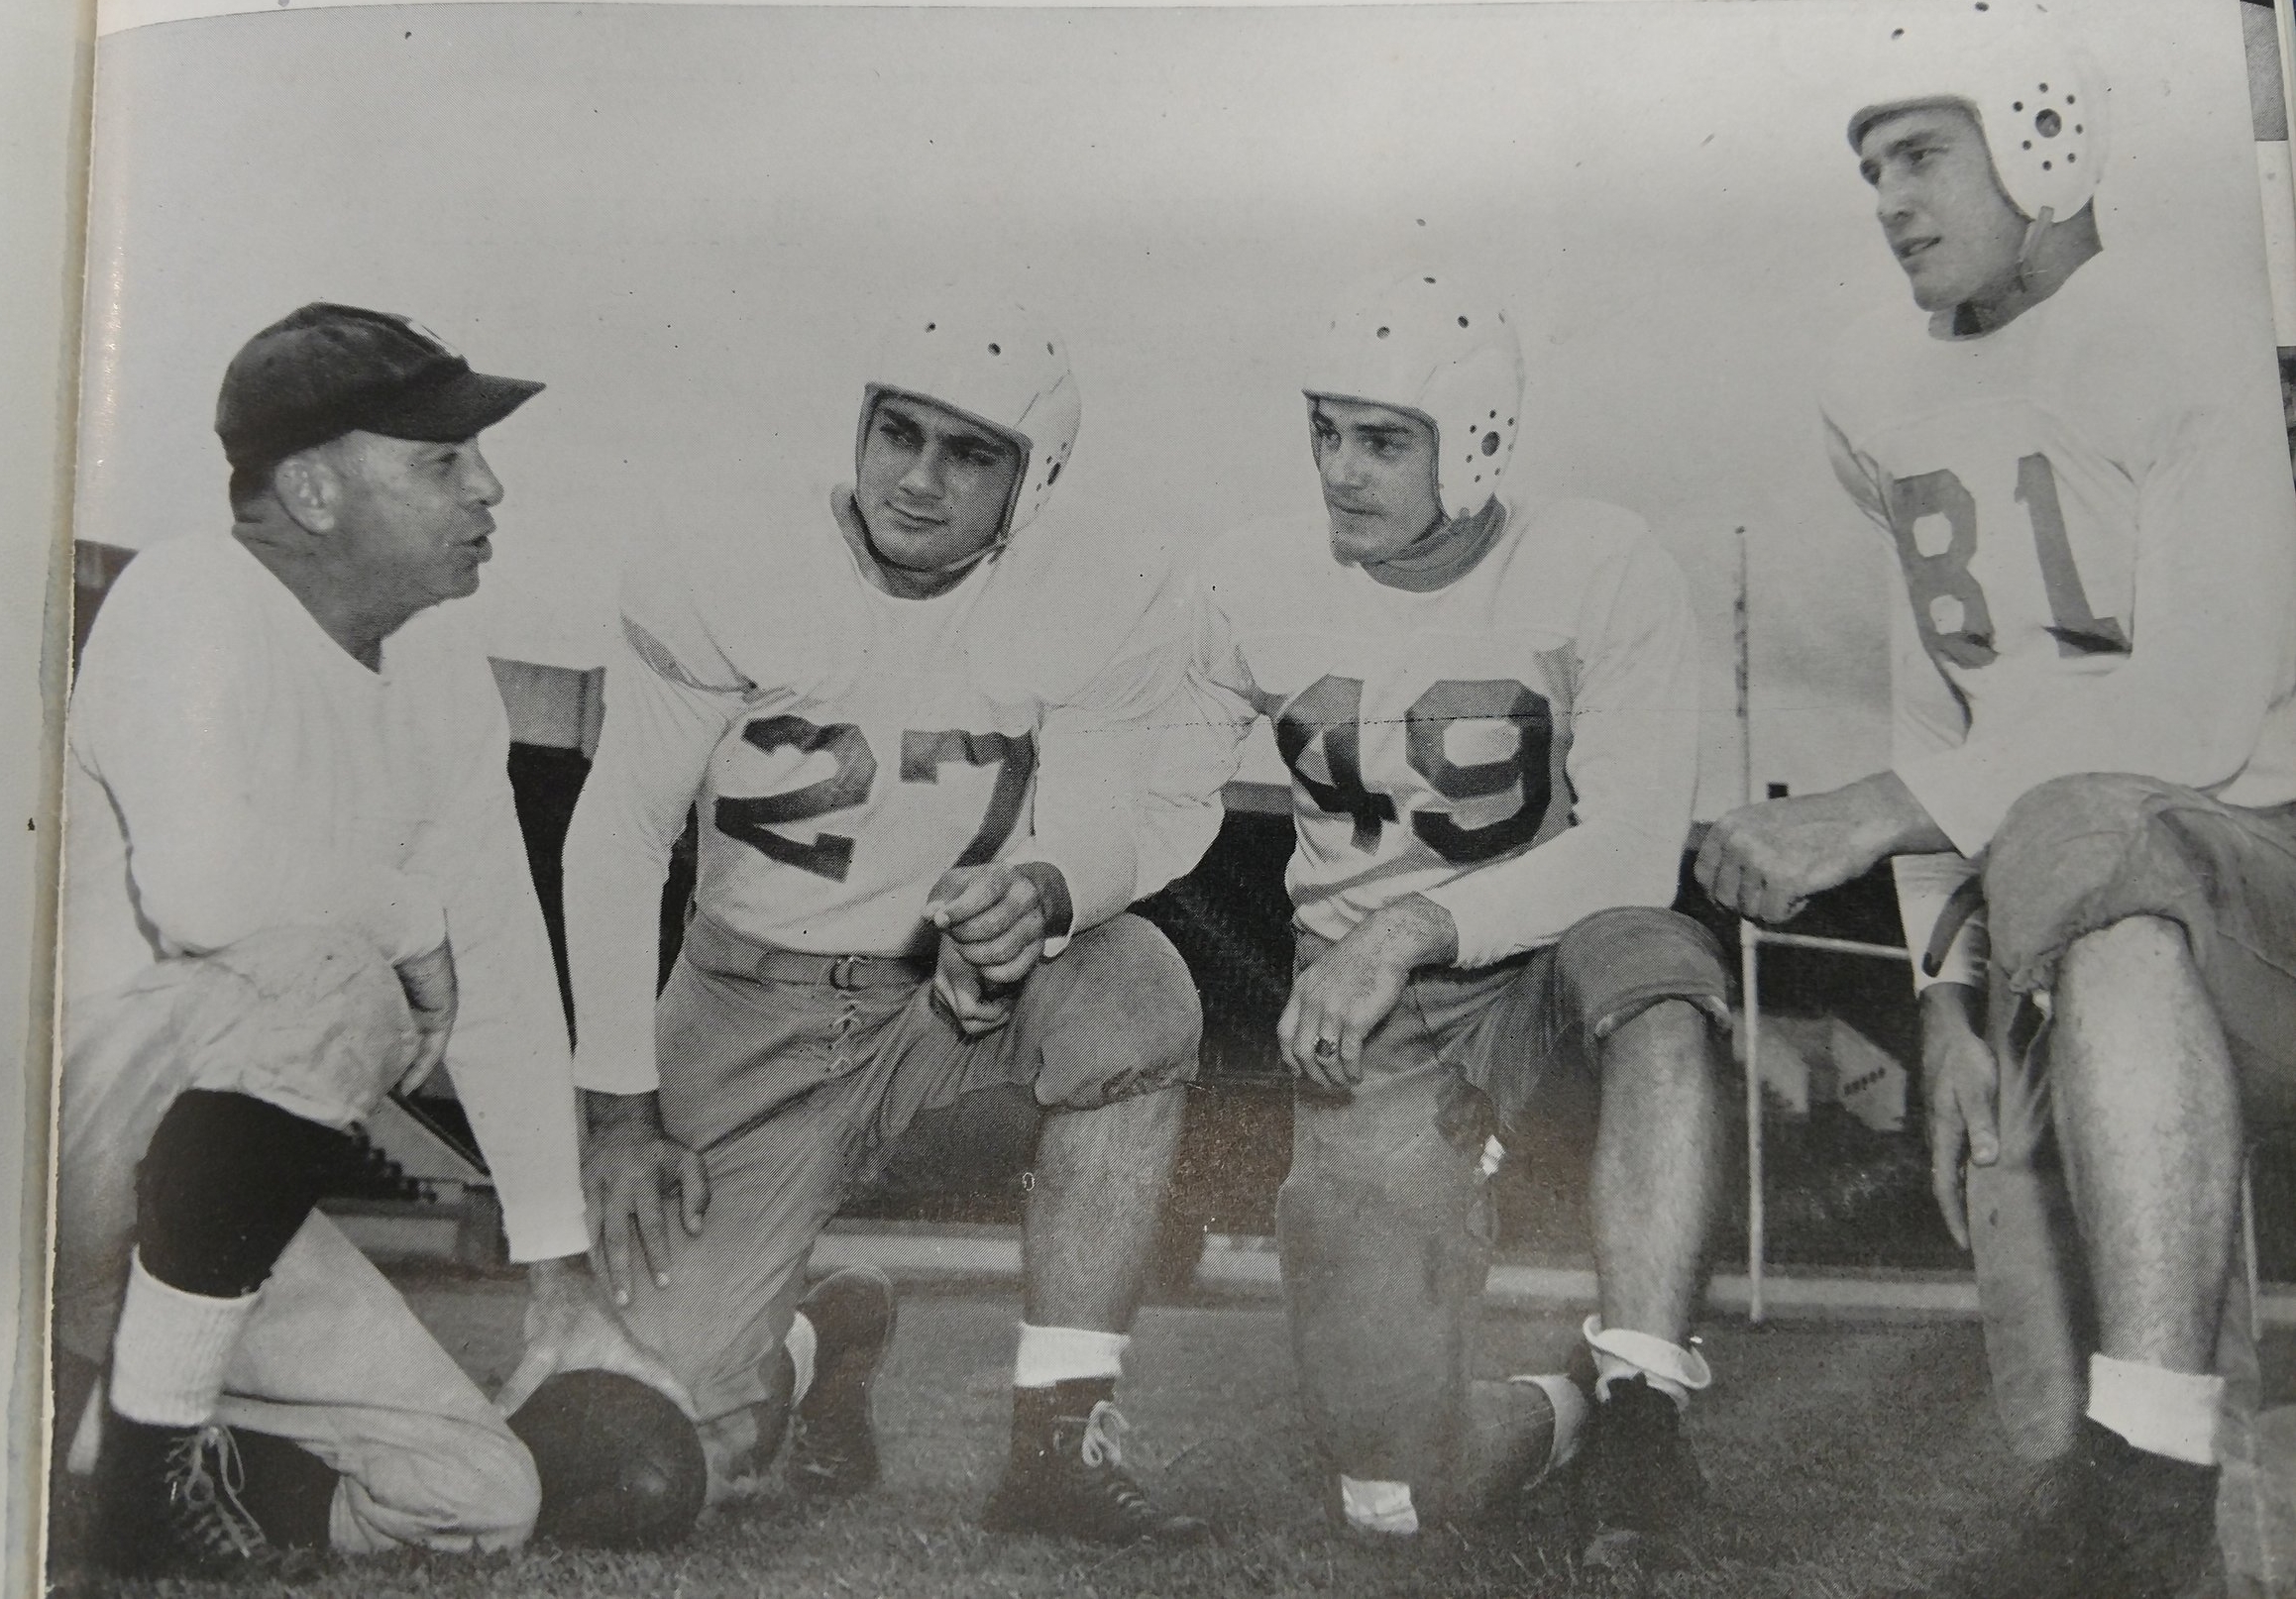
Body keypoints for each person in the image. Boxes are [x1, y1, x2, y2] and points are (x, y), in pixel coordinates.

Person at [1695, 8, 2296, 1595]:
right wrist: (1941, 994)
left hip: (2256, 862)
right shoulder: (1880, 384)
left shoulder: (2178, 337)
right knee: (2055, 1441)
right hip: (2053, 896)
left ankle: (2165, 1463)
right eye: (1867, 169)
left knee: (2102, 837)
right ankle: (2163, 1490)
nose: (1886, 201)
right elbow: (1938, 689)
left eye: (1918, 153)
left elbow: (2200, 712)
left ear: (2042, 133)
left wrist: (1876, 811)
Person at [558, 300, 1210, 1543]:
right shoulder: (726, 556)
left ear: (1036, 479)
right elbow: (620, 834)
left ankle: (1061, 1434)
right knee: (652, 1442)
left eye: (970, 453)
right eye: (896, 433)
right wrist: (620, 1110)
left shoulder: (1101, 587)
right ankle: (824, 1333)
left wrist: (1042, 893)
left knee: (1135, 987)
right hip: (749, 1004)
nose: (916, 479)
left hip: (954, 997)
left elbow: (1103, 820)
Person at [55, 302, 688, 1579]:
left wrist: (555, 1269)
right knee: (335, 972)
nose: (489, 486)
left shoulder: (439, 655)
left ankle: (94, 1448)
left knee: (472, 1494)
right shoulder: (188, 595)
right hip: (59, 1156)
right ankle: (143, 1461)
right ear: (313, 489)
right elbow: (201, 890)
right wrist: (409, 925)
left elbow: (501, 953)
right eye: (441, 461)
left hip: (195, 1212)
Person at [1157, 271, 1731, 1563]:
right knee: (1394, 1492)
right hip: (1377, 1025)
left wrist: (1412, 923)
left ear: (1474, 441)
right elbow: (1151, 799)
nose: (1341, 471)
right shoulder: (1246, 578)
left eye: (1383, 438)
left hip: (1550, 960)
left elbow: (1637, 847)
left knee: (1660, 976)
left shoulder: (1598, 561)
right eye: (1326, 429)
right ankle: (1570, 1406)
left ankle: (1644, 1397)